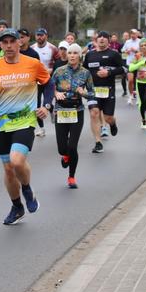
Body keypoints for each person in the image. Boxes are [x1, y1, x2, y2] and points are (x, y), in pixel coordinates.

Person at [0, 29, 51, 225]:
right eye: (5, 42)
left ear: (19, 43)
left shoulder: (33, 64)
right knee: (9, 170)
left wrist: (47, 105)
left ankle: (27, 188)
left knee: (17, 161)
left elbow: (48, 84)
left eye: (12, 41)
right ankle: (17, 206)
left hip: (25, 120)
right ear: (0, 45)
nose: (9, 45)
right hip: (2, 123)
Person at [52, 43, 95, 189]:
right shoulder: (59, 71)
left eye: (75, 53)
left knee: (72, 146)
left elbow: (92, 94)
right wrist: (56, 93)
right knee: (62, 148)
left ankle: (71, 177)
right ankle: (64, 155)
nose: (71, 55)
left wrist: (84, 93)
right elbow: (48, 88)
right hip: (61, 111)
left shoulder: (86, 73)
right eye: (69, 53)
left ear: (79, 56)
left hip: (77, 111)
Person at [83, 30, 125, 153]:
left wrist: (109, 72)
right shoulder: (90, 55)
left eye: (104, 37)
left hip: (108, 90)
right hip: (93, 90)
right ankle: (98, 142)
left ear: (108, 40)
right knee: (94, 113)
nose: (101, 39)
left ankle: (112, 123)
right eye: (99, 37)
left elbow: (123, 69)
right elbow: (84, 71)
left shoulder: (114, 54)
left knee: (107, 118)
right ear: (96, 40)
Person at [30, 28, 59, 137]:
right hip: (35, 82)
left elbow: (59, 63)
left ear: (46, 36)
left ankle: (50, 109)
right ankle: (41, 129)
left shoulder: (53, 48)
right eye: (37, 35)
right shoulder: (32, 49)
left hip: (48, 81)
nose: (39, 37)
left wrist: (52, 70)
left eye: (41, 35)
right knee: (36, 107)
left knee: (45, 103)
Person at [128, 39, 146, 129]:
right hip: (139, 82)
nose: (143, 47)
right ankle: (143, 120)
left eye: (145, 45)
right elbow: (131, 68)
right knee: (141, 102)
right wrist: (141, 63)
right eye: (141, 45)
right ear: (139, 47)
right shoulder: (137, 56)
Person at [121, 29, 141, 104]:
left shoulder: (140, 41)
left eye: (134, 34)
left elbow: (143, 51)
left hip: (139, 63)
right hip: (130, 63)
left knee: (138, 81)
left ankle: (138, 97)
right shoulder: (127, 42)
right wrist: (126, 51)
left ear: (137, 34)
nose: (133, 35)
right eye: (131, 34)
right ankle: (131, 95)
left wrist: (135, 50)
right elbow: (122, 50)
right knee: (130, 80)